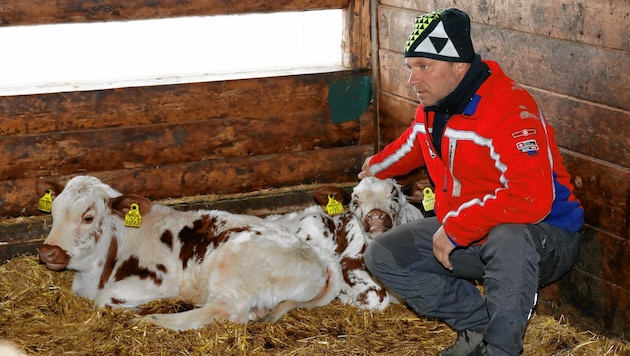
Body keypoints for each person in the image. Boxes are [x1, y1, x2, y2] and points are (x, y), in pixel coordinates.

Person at [359, 8, 584, 356]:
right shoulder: (434, 107)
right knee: (382, 254)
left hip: (545, 237)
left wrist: (455, 228)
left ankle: (500, 349)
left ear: (459, 65)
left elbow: (531, 198)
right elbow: (411, 145)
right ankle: (479, 324)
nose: (412, 80)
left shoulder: (509, 109)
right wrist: (373, 168)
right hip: (469, 232)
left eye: (424, 67)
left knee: (509, 236)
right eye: (410, 68)